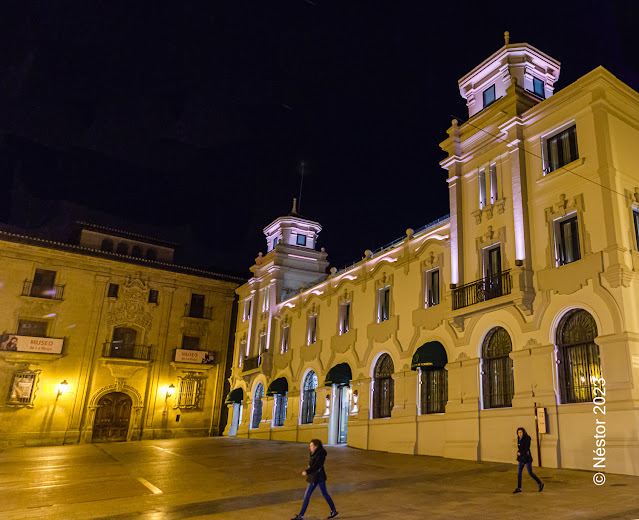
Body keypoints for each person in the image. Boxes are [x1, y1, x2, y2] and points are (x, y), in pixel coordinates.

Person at [291, 439, 338, 520]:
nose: (310, 447)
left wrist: (307, 471)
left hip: (318, 477)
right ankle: (301, 515)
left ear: (316, 446)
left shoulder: (320, 454)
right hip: (314, 477)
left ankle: (333, 511)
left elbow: (317, 466)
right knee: (309, 495)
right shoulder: (314, 453)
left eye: (311, 446)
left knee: (322, 494)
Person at [513, 427, 544, 493]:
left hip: (526, 458)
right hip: (521, 458)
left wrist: (520, 452)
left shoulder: (527, 438)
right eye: (518, 433)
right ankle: (519, 488)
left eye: (520, 432)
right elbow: (520, 447)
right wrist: (518, 452)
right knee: (519, 473)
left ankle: (540, 483)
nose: (519, 434)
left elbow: (526, 448)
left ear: (523, 432)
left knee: (530, 473)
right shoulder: (519, 438)